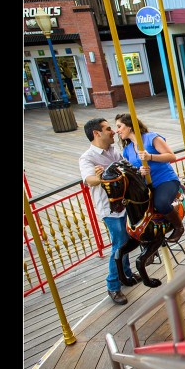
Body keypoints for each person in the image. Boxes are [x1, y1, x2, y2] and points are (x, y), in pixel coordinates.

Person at [79, 118, 140, 305]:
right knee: (119, 244)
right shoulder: (87, 157)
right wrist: (100, 176)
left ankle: (126, 273)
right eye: (107, 129)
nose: (112, 131)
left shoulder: (114, 151)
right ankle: (113, 285)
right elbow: (90, 179)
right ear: (97, 134)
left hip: (124, 202)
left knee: (126, 240)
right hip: (110, 208)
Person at [114, 113, 184, 243]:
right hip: (145, 185)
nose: (116, 130)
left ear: (129, 126)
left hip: (165, 180)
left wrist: (150, 157)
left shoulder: (151, 138)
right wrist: (140, 172)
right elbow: (132, 172)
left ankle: (178, 226)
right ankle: (151, 241)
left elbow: (171, 156)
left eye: (119, 126)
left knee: (161, 203)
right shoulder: (127, 150)